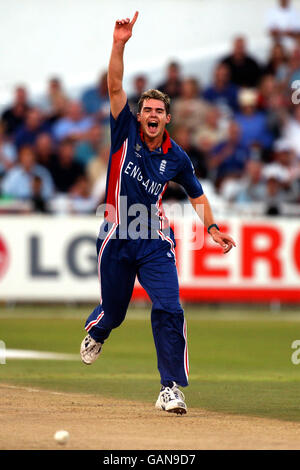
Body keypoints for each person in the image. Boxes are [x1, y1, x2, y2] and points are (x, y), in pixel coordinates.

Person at [80, 12, 236, 415]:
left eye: (157, 111)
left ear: (167, 118)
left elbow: (197, 195)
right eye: (146, 108)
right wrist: (119, 43)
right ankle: (98, 329)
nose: (150, 114)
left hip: (153, 238)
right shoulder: (125, 130)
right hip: (116, 235)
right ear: (141, 114)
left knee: (170, 307)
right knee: (114, 311)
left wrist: (213, 227)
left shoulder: (177, 156)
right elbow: (115, 85)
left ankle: (169, 387)